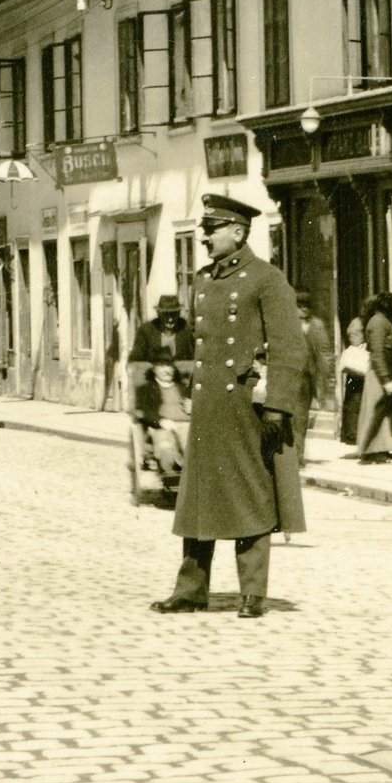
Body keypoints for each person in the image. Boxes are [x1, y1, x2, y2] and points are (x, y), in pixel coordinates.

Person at [151, 194, 309, 620]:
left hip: (244, 407)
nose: (204, 238)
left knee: (250, 495)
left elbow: (288, 347)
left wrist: (277, 406)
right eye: (204, 229)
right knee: (198, 496)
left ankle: (252, 592)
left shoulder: (267, 279)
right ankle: (191, 589)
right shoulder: (203, 280)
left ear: (238, 233)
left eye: (211, 229)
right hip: (207, 408)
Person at [130, 294, 195, 492]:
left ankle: (193, 472)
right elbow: (137, 361)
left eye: (174, 314)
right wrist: (151, 369)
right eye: (166, 314)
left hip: (180, 380)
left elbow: (195, 358)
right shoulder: (147, 331)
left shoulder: (185, 330)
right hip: (154, 381)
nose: (170, 319)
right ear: (159, 314)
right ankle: (174, 468)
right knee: (166, 441)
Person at [355, 293, 392, 463]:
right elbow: (378, 353)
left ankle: (384, 449)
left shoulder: (384, 321)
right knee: (377, 412)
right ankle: (373, 451)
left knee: (387, 415)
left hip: (387, 372)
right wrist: (386, 379)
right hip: (379, 376)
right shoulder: (378, 322)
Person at [297, 292, 334, 441]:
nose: (304, 309)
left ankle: (297, 456)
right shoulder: (285, 322)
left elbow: (324, 354)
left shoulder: (317, 325)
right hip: (288, 374)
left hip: (306, 377)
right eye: (299, 306)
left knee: (300, 417)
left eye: (307, 306)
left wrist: (321, 387)